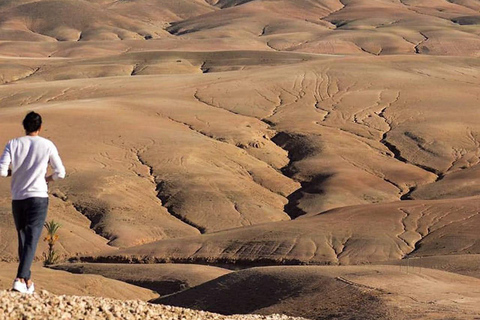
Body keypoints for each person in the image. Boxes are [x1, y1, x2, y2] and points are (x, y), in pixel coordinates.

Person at [0, 111, 66, 294]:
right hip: (38, 197)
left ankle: (27, 280)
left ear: (24, 126)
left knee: (23, 238)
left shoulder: (12, 144)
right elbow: (61, 172)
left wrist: (16, 174)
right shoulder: (47, 145)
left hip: (18, 198)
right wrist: (47, 179)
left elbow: (2, 171)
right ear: (40, 127)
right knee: (32, 238)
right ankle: (20, 278)